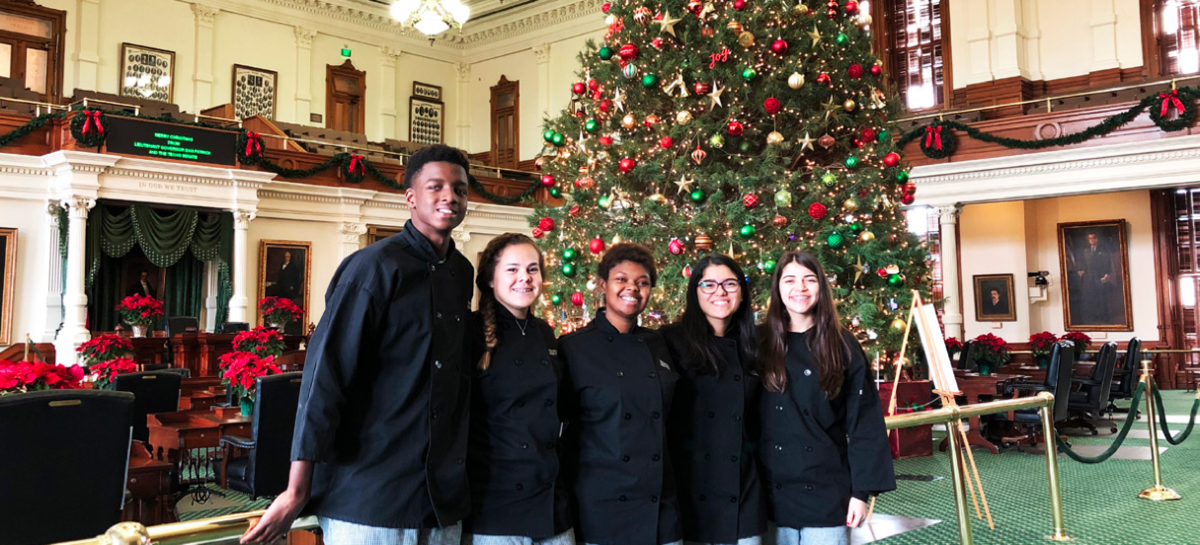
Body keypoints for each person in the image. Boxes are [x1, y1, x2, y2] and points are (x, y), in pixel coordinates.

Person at [240, 144, 474, 545]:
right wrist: (297, 490)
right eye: (435, 186)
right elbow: (324, 380)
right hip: (369, 495)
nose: (450, 196)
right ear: (411, 198)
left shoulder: (461, 271)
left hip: (439, 501)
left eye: (460, 189)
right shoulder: (373, 267)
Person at [757, 252, 895, 545]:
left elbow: (864, 424)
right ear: (777, 288)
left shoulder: (842, 345)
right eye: (790, 280)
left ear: (821, 286)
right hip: (766, 494)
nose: (800, 288)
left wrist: (860, 494)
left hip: (826, 491)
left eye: (810, 279)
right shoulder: (757, 343)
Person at [559, 243, 682, 545]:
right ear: (603, 285)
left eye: (642, 282)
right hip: (602, 507)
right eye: (622, 279)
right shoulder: (573, 348)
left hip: (660, 506)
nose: (633, 288)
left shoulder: (660, 344)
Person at [463, 233, 574, 545]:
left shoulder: (546, 334)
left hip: (552, 505)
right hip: (493, 509)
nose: (524, 278)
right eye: (512, 269)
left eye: (533, 269)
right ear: (489, 279)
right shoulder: (468, 333)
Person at [659, 255, 766, 545]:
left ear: (742, 293)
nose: (720, 292)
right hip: (689, 491)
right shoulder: (668, 341)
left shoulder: (757, 344)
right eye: (708, 284)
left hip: (743, 489)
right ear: (694, 291)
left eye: (730, 284)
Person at [1071, 231, 1116, 325]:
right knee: (1091, 296)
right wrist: (1081, 270)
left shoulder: (1103, 249)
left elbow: (1108, 262)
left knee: (1102, 297)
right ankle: (1093, 316)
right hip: (1089, 277)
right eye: (1090, 238)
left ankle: (1104, 317)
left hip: (1100, 275)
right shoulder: (1086, 250)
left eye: (1094, 238)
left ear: (1097, 239)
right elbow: (1083, 263)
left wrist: (1107, 273)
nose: (1092, 240)